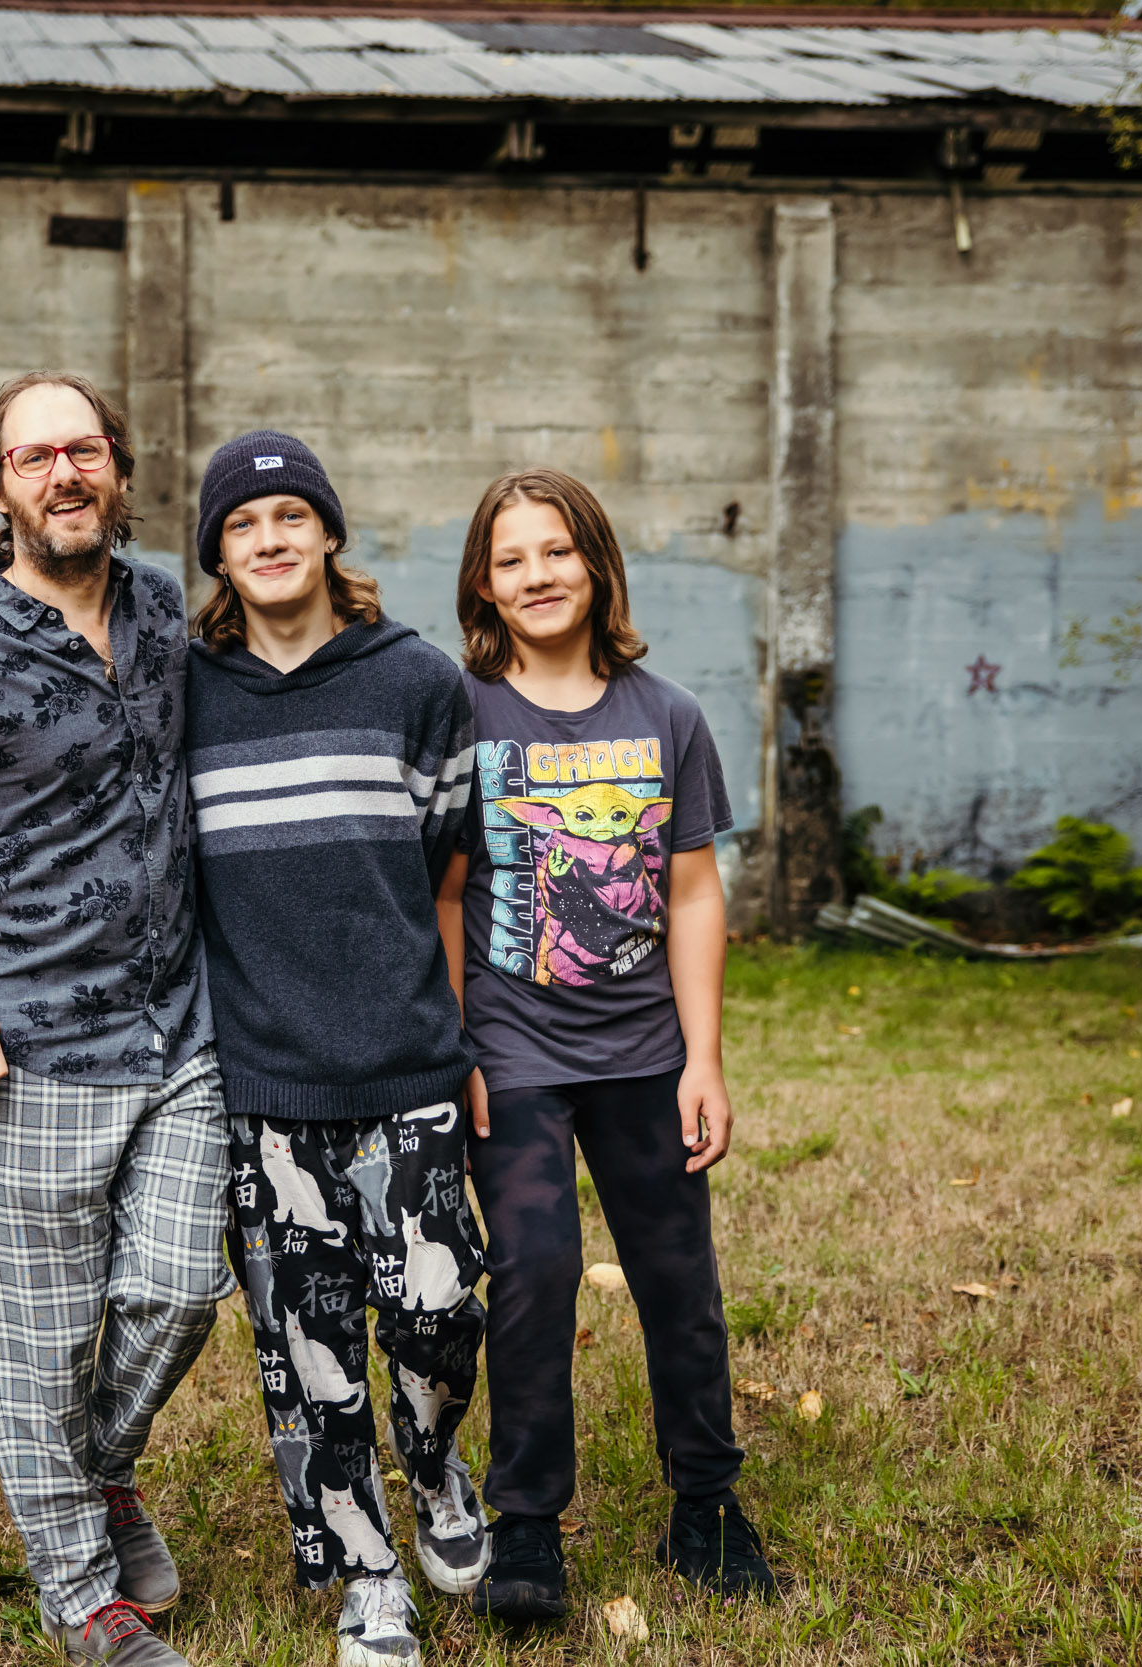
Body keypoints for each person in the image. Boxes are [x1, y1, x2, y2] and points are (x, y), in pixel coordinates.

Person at [0, 373, 221, 1667]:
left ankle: (101, 1469)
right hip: (31, 1045)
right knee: (40, 1341)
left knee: (183, 1286)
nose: (62, 473)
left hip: (184, 1026)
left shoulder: (170, 613)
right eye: (34, 455)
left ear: (120, 467)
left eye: (84, 449)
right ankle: (87, 1599)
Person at [434, 469, 778, 1620]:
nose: (536, 575)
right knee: (530, 1271)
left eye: (557, 551)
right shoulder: (462, 714)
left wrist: (705, 1055)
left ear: (596, 563)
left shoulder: (665, 714)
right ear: (484, 580)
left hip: (642, 1054)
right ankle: (526, 1524)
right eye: (511, 556)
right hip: (514, 1050)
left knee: (678, 1278)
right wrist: (455, 1040)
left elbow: (690, 893)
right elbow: (442, 896)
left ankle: (706, 1504)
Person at [183, 433, 487, 1667]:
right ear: (216, 552)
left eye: (291, 515)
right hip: (261, 1081)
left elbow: (445, 872)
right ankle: (368, 1574)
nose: (268, 538)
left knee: (436, 1309)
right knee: (311, 1350)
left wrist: (452, 1031)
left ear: (328, 534)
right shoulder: (187, 691)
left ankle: (434, 1459)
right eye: (242, 523)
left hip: (403, 1068)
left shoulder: (414, 679)